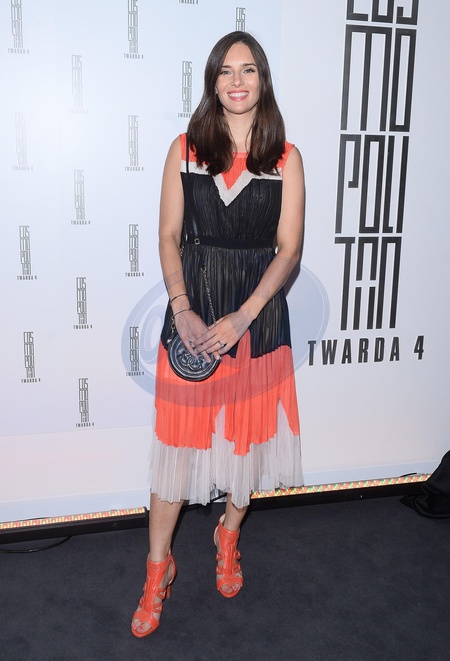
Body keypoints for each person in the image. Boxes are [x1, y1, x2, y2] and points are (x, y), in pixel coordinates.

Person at [131, 30, 305, 638]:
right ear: (212, 82)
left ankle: (227, 534)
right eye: (226, 71)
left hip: (256, 319)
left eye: (248, 69)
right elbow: (167, 237)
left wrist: (245, 316)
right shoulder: (185, 150)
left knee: (246, 444)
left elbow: (288, 250)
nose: (237, 81)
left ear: (263, 80)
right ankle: (158, 570)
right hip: (194, 317)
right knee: (176, 451)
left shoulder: (286, 157)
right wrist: (182, 309)